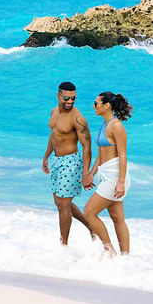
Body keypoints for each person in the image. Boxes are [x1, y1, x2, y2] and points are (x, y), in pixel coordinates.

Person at [41, 80, 93, 244]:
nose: (70, 102)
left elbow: (87, 147)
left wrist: (86, 173)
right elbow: (54, 136)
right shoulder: (53, 112)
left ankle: (63, 244)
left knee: (64, 204)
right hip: (57, 160)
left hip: (71, 162)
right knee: (60, 202)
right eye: (66, 98)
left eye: (73, 98)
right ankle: (92, 227)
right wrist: (46, 156)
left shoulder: (78, 119)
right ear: (58, 96)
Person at [81, 92, 133, 255]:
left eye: (96, 103)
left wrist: (121, 182)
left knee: (89, 212)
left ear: (106, 106)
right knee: (117, 217)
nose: (93, 106)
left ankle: (109, 249)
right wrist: (91, 174)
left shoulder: (116, 126)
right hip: (106, 174)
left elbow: (123, 155)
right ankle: (125, 257)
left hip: (115, 177)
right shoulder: (105, 124)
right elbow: (101, 154)